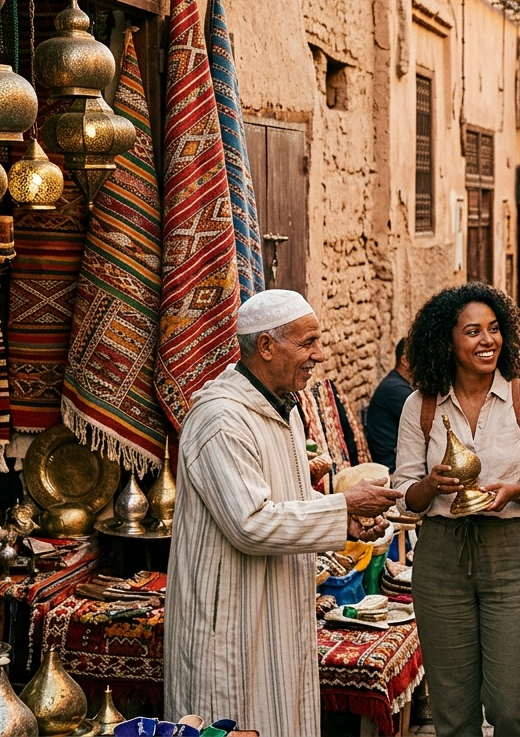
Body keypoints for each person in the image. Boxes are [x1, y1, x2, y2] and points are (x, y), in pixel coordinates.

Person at [164, 290, 403, 737]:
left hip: (277, 606)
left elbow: (287, 497)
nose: (318, 354)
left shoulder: (283, 407)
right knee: (235, 719)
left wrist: (344, 517)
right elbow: (251, 524)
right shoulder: (221, 419)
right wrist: (342, 507)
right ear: (267, 347)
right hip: (231, 621)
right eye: (307, 342)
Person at [392, 284, 520, 736]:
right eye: (472, 331)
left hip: (511, 555)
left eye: (494, 329)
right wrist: (429, 485)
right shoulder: (422, 405)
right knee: (453, 710)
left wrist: (516, 491)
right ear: (446, 340)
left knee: (511, 704)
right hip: (441, 558)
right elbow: (403, 491)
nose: (487, 340)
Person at [365, 338, 414, 471]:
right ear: (405, 361)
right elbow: (427, 422)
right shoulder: (395, 389)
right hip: (391, 464)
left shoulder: (398, 384)